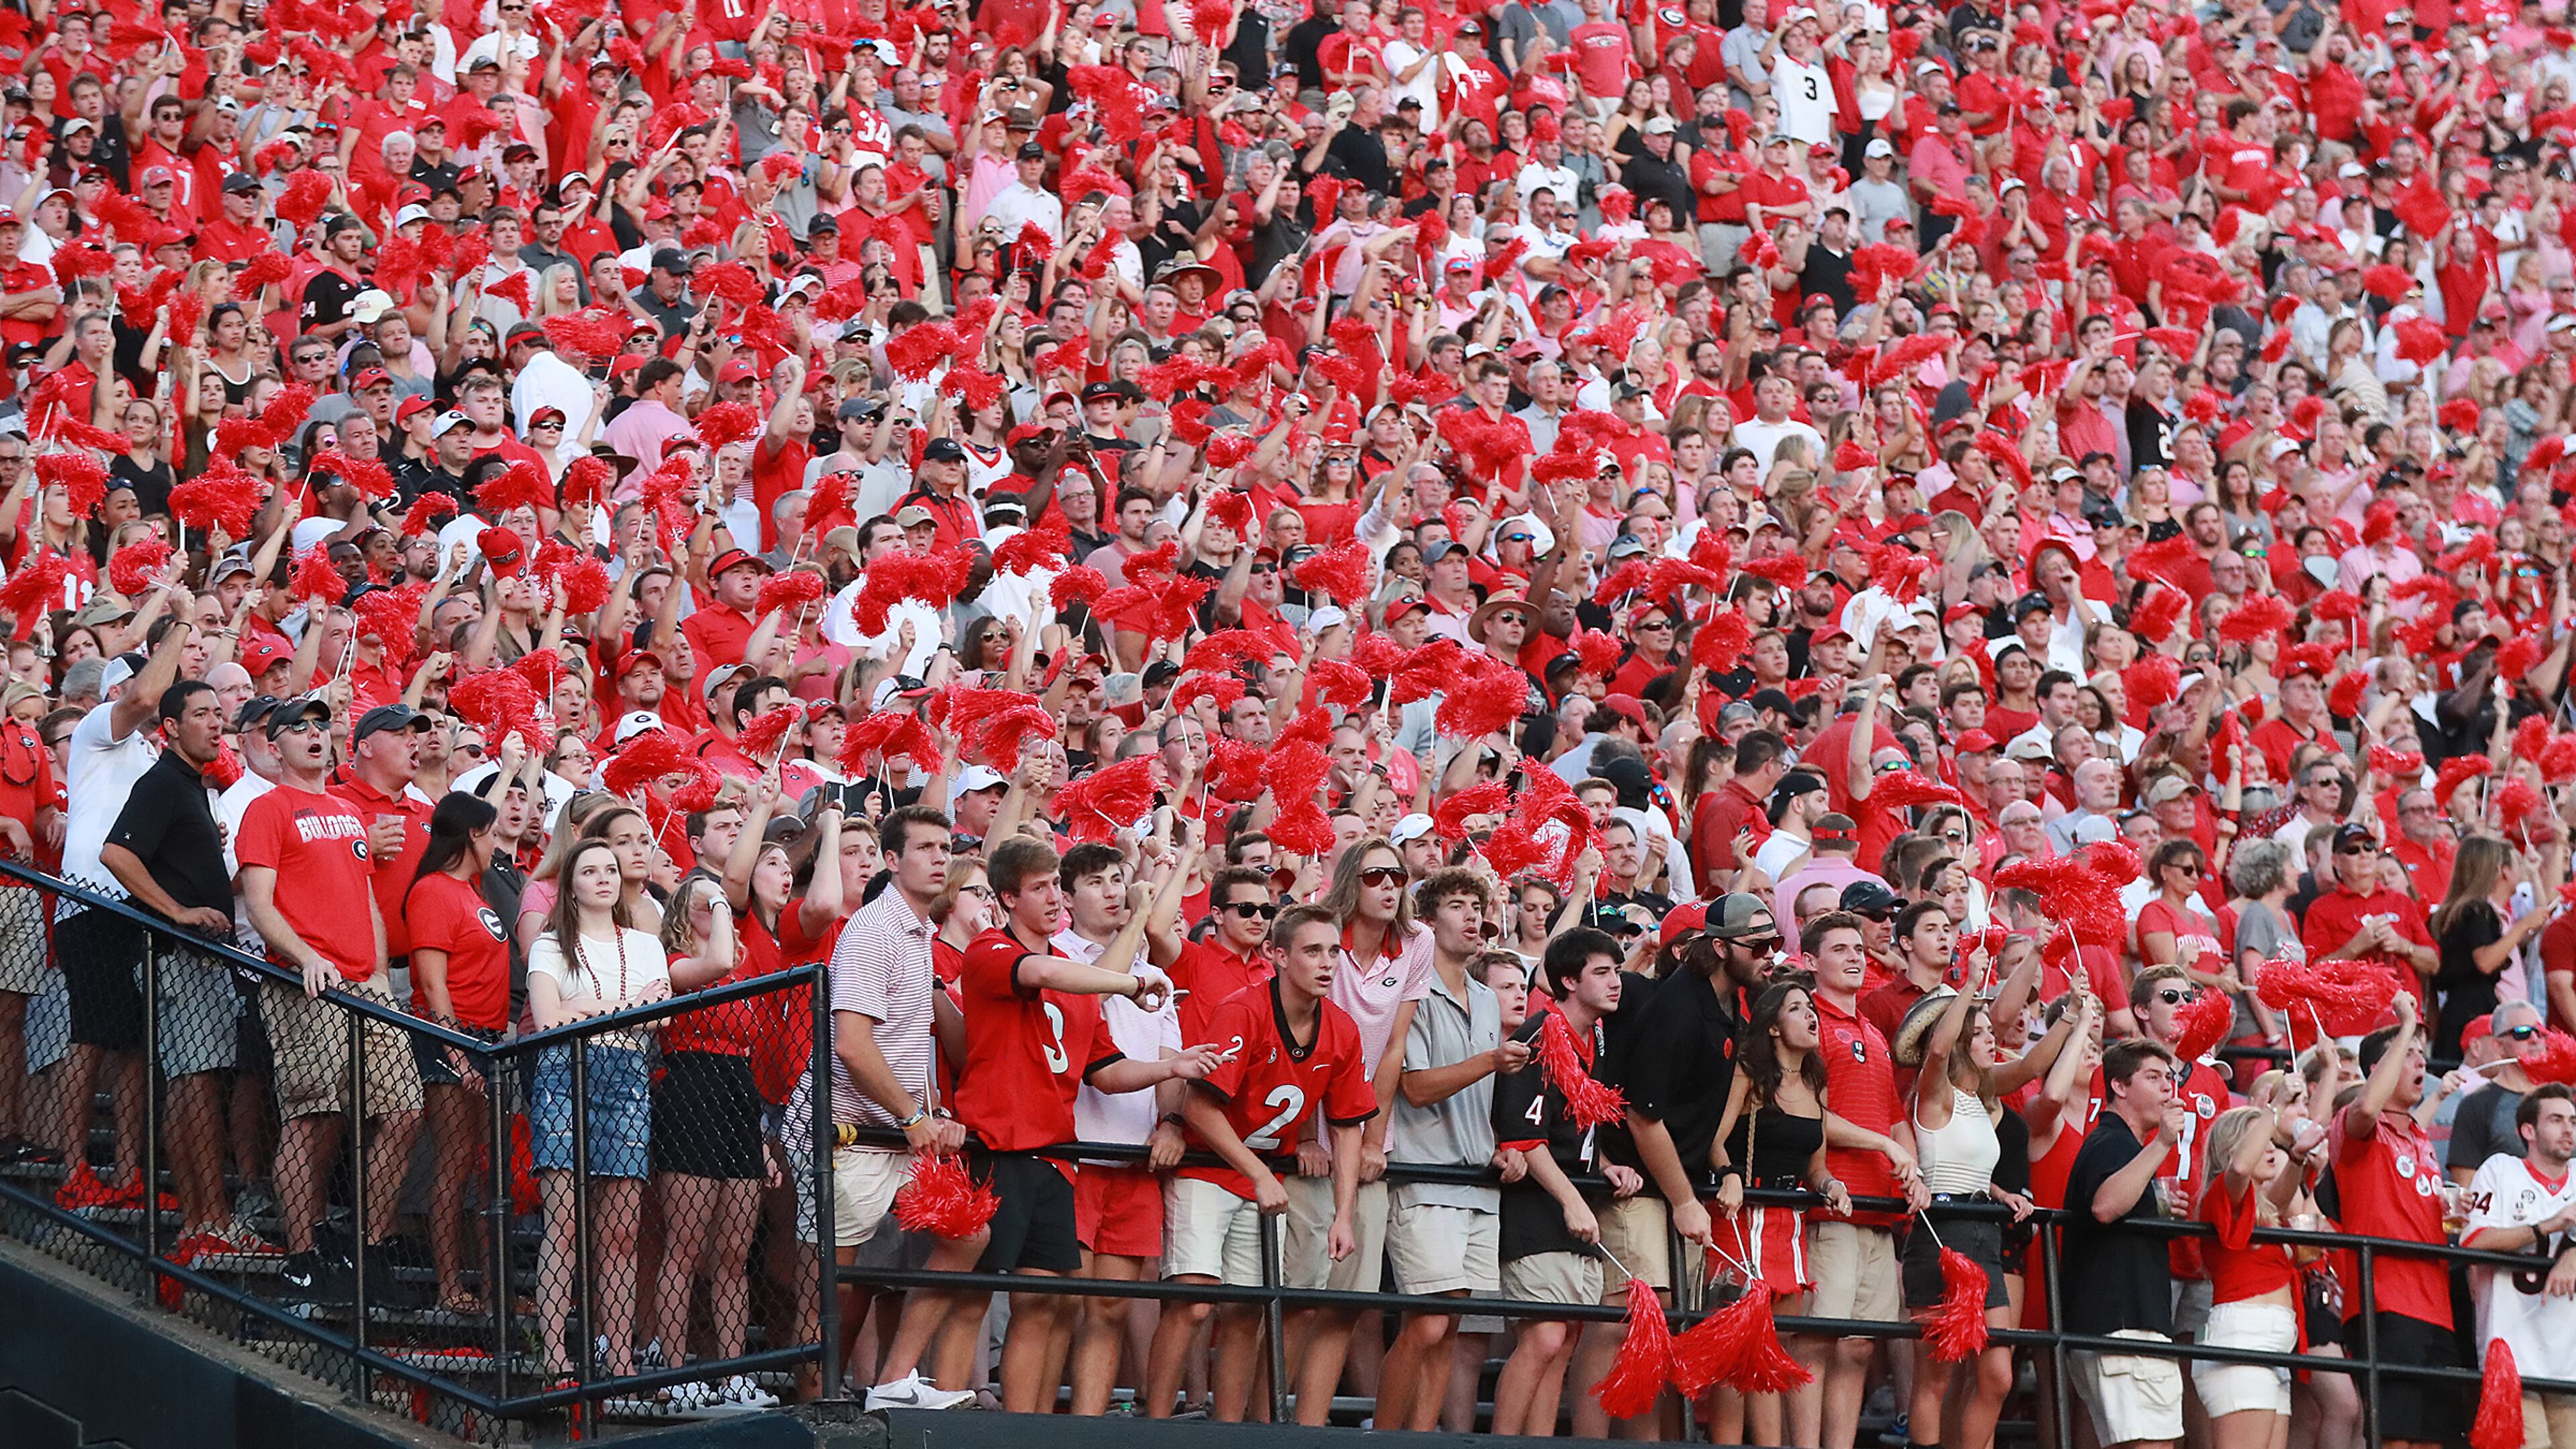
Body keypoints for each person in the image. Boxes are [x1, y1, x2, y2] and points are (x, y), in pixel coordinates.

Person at [1153, 903, 1377, 1422]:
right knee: (1194, 1303)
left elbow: (1347, 1127)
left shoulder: (1341, 1029)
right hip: (1210, 1170)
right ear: (1277, 955)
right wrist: (1256, 1172)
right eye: (1313, 951)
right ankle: (1155, 1424)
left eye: (1334, 952)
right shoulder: (1243, 1009)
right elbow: (1200, 1105)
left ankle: (1231, 1430)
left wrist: (1344, 1215)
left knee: (1244, 1315)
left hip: (1263, 1179)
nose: (1327, 963)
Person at [95, 679, 240, 1250]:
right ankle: (210, 1221)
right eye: (202, 714)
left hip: (197, 957)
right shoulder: (162, 782)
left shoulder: (193, 788)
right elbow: (116, 853)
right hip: (180, 959)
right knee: (194, 1084)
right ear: (172, 728)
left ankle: (205, 1220)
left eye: (218, 714)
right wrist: (177, 911)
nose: (215, 723)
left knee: (193, 1083)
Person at [1490, 926, 1631, 1438]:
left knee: (1565, 1340)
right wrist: (1574, 1200)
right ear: (1568, 981)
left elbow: (1573, 1126)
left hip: (1575, 1199)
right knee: (1546, 1337)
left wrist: (1604, 1164)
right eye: (1602, 972)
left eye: (1616, 970)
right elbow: (1524, 1138)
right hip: (1536, 1208)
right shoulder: (1539, 1035)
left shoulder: (1593, 1036)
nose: (1616, 981)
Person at [1709, 977, 1854, 1446]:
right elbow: (1713, 1140)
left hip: (1788, 1226)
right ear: (1773, 1026)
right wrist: (1729, 1172)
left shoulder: (1816, 1081)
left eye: (1811, 1007)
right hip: (1741, 1217)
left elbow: (1817, 1166)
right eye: (1797, 1008)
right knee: (1737, 1351)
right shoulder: (1749, 1071)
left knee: (1774, 1350)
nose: (1811, 1015)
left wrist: (1832, 1185)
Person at [399, 786, 515, 1314]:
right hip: (450, 1037)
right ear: (472, 833)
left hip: (487, 1039)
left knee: (486, 1167)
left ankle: (495, 1289)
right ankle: (450, 1286)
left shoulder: (475, 892)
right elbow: (433, 983)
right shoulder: (432, 891)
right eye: (490, 833)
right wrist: (460, 1053)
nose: (496, 845)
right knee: (454, 1162)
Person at [2330, 995, 2463, 1449]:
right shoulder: (2354, 1128)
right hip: (2385, 1299)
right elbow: (2369, 1109)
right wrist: (2406, 1025)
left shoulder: (2420, 1137)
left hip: (2436, 1305)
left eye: (2422, 1055)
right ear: (2377, 1070)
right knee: (2397, 1437)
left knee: (2434, 1437)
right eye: (2407, 1055)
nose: (2419, 1062)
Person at [2062, 1037, 2188, 1449]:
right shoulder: (2112, 1141)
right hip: (2123, 1326)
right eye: (2153, 1078)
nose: (2167, 1088)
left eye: (2169, 1078)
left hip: (2122, 1325)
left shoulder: (2121, 1145)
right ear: (2119, 1085)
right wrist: (2163, 1144)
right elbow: (2105, 1205)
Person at [2461, 1083, 2576, 1449]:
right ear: (2528, 1130)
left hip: (2570, 1361)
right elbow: (2474, 1240)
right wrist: (2548, 1226)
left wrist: (2573, 1254)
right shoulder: (2501, 1170)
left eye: (2573, 1121)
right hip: (2512, 1354)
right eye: (2556, 1120)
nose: (2569, 1130)